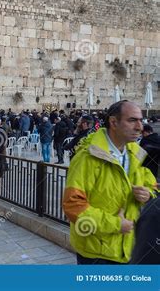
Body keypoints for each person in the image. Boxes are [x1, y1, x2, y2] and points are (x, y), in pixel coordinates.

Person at [63, 101, 157, 264]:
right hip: (97, 254)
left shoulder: (136, 154)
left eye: (141, 120)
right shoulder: (87, 158)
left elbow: (153, 186)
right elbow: (73, 206)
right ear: (113, 122)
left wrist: (148, 194)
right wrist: (115, 224)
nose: (139, 127)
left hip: (128, 248)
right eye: (132, 120)